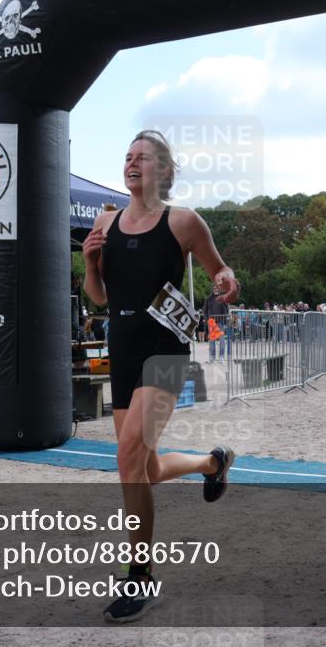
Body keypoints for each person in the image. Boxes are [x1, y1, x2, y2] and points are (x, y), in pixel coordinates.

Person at [82, 130, 240, 623]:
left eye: (143, 158)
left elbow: (221, 273)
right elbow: (99, 296)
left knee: (126, 456)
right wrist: (89, 262)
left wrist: (225, 281)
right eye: (127, 157)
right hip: (123, 351)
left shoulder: (184, 221)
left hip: (166, 352)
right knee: (144, 470)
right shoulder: (105, 221)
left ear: (165, 171)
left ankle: (141, 577)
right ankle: (212, 463)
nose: (132, 164)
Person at [202, 289, 229, 362]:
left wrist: (225, 319)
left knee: (222, 340)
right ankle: (212, 357)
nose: (215, 290)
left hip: (220, 322)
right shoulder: (208, 298)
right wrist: (207, 319)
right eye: (214, 288)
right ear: (212, 289)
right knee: (212, 340)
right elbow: (204, 310)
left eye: (217, 288)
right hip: (211, 322)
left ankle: (221, 356)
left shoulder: (222, 297)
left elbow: (226, 309)